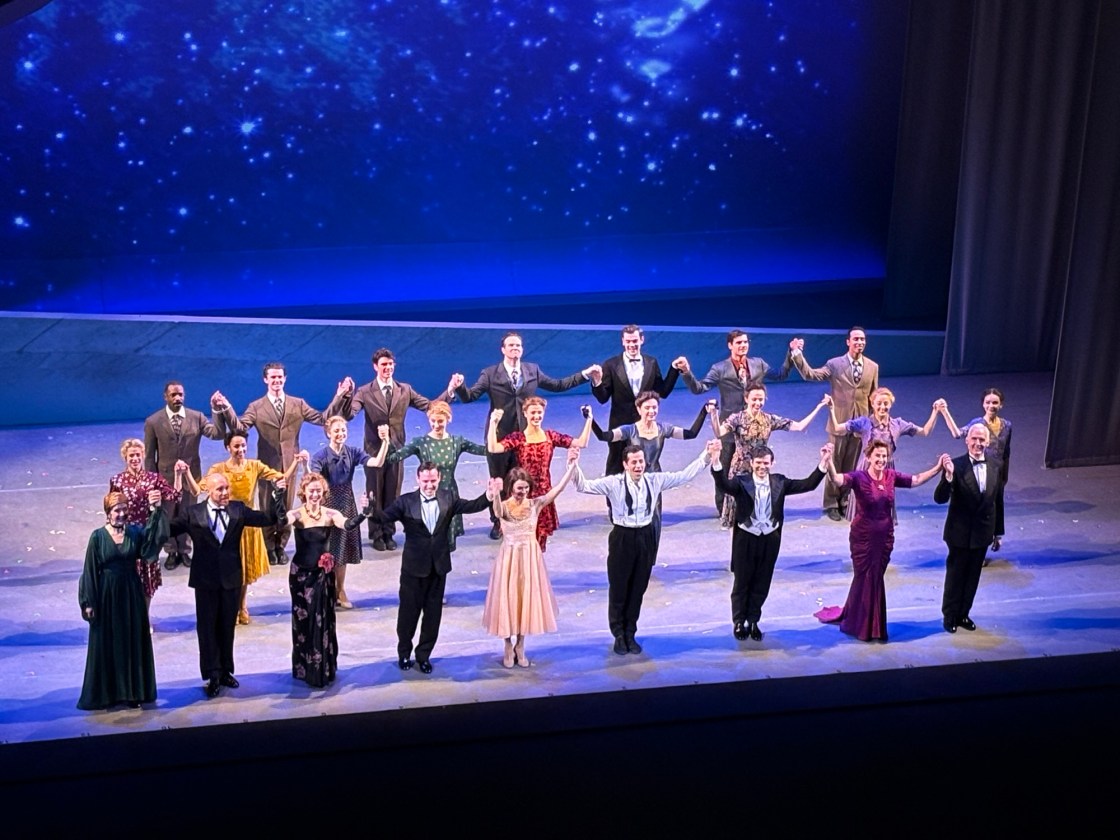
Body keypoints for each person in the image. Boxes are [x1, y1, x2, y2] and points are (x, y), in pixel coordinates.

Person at [573, 439, 722, 656]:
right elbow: (583, 486)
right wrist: (573, 464)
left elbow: (684, 476)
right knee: (619, 588)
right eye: (633, 462)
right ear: (625, 464)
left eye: (641, 461)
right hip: (622, 538)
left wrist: (706, 455)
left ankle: (630, 632)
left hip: (645, 536)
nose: (638, 466)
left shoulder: (654, 480)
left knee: (638, 588)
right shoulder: (614, 483)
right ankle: (618, 634)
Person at [453, 331, 600, 539]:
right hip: (500, 436)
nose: (515, 349)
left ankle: (522, 517)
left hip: (526, 439)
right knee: (500, 480)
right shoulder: (490, 373)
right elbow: (470, 396)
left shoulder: (532, 370)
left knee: (521, 480)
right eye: (511, 345)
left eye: (518, 346)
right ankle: (498, 521)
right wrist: (460, 387)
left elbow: (558, 385)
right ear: (503, 349)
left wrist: (584, 375)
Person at [367, 463, 502, 674]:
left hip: (438, 568)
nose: (429, 485)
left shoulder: (448, 498)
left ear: (439, 479)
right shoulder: (405, 502)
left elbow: (471, 506)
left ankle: (423, 656)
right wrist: (369, 509)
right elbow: (383, 517)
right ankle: (404, 653)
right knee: (408, 615)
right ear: (417, 479)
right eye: (425, 481)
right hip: (413, 569)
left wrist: (489, 495)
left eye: (433, 481)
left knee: (432, 616)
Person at [212, 361, 348, 565]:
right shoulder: (256, 407)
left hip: (290, 465)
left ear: (285, 379)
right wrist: (226, 407)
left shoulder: (297, 403)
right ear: (265, 380)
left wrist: (340, 396)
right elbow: (240, 427)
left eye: (279, 377)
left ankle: (281, 546)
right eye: (272, 377)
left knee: (286, 506)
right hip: (267, 466)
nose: (276, 380)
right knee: (267, 507)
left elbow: (322, 419)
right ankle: (269, 546)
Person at [169, 472, 286, 698]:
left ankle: (225, 671)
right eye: (220, 489)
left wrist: (277, 494)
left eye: (226, 488)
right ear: (208, 490)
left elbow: (267, 518)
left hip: (231, 579)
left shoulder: (237, 509)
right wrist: (156, 509)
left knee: (226, 627)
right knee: (207, 629)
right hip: (205, 581)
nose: (225, 493)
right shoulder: (193, 513)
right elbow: (168, 529)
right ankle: (212, 674)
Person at [814, 440, 943, 642]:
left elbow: (916, 480)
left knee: (876, 577)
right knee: (864, 577)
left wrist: (938, 468)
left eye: (884, 456)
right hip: (863, 537)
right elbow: (837, 480)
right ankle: (862, 625)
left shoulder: (891, 476)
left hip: (884, 537)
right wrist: (828, 461)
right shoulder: (859, 477)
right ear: (868, 457)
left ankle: (870, 623)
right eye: (877, 456)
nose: (881, 460)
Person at [335, 348, 456, 551]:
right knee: (374, 493)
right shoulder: (364, 391)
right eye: (384, 364)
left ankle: (389, 532)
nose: (388, 368)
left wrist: (450, 390)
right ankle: (376, 534)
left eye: (390, 364)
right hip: (373, 451)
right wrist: (346, 396)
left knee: (393, 493)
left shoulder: (404, 389)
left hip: (397, 450)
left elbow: (430, 406)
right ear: (375, 367)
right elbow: (349, 414)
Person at [179, 432, 305, 624]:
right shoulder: (218, 469)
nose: (241, 450)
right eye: (236, 446)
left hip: (247, 523)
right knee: (227, 569)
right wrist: (186, 472)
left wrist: (296, 461)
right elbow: (197, 490)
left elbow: (282, 477)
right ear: (227, 448)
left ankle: (242, 606)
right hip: (226, 524)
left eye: (243, 445)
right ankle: (228, 607)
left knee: (245, 568)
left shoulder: (254, 466)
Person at [712, 443, 831, 643]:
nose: (762, 467)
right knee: (742, 582)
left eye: (766, 463)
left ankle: (753, 620)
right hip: (746, 539)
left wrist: (824, 462)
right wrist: (716, 460)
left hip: (769, 540)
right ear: (751, 463)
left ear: (772, 463)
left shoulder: (779, 482)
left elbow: (807, 485)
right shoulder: (742, 482)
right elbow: (724, 485)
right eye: (758, 463)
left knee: (762, 582)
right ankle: (739, 621)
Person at [590, 392, 712, 560]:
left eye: (654, 407)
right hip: (633, 480)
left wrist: (704, 411)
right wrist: (590, 420)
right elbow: (604, 436)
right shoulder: (630, 430)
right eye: (647, 407)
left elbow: (691, 433)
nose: (651, 411)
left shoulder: (663, 429)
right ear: (639, 409)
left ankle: (649, 559)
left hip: (654, 480)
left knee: (654, 521)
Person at [483, 456, 579, 668]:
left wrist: (572, 467)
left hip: (529, 559)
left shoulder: (535, 504)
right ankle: (507, 644)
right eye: (519, 488)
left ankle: (520, 644)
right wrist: (496, 493)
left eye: (526, 488)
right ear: (511, 487)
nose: (523, 492)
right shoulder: (504, 506)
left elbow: (557, 490)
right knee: (508, 599)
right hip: (510, 558)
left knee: (525, 600)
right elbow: (497, 511)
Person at [672, 330, 782, 513]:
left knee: (754, 468)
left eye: (745, 342)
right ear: (730, 345)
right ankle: (722, 507)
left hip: (753, 429)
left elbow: (780, 375)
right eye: (738, 343)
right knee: (724, 469)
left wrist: (793, 354)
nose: (743, 345)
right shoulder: (720, 368)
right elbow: (700, 388)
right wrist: (686, 372)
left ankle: (751, 505)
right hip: (729, 429)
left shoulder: (758, 364)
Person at [77, 490, 168, 710]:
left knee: (131, 640)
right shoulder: (98, 537)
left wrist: (155, 511)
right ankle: (108, 694)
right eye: (117, 510)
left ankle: (132, 692)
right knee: (108, 642)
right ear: (108, 513)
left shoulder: (134, 532)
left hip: (131, 593)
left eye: (124, 510)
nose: (121, 514)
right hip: (106, 595)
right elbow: (89, 570)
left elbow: (150, 546)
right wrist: (88, 602)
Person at [282, 473, 369, 688]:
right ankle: (305, 669)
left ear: (323, 493)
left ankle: (323, 669)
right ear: (304, 492)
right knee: (304, 621)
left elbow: (348, 525)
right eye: (311, 491)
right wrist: (277, 497)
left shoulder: (331, 514)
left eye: (318, 491)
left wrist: (365, 513)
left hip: (323, 576)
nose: (315, 494)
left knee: (323, 620)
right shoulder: (298, 514)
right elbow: (282, 520)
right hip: (301, 577)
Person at [786, 327, 880, 520]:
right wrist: (797, 354)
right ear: (848, 342)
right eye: (856, 339)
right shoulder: (835, 364)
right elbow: (811, 374)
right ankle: (831, 503)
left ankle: (845, 500)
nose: (859, 342)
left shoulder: (873, 367)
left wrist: (874, 423)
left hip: (860, 425)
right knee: (834, 463)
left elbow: (874, 397)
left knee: (852, 466)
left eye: (862, 339)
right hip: (839, 421)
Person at [712, 385, 831, 527]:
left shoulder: (769, 419)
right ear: (746, 399)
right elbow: (719, 432)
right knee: (739, 512)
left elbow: (799, 426)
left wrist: (819, 407)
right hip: (740, 470)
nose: (758, 403)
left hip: (761, 468)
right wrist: (713, 414)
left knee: (759, 512)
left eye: (761, 399)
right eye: (754, 399)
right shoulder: (737, 419)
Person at [487, 398, 592, 551]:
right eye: (533, 413)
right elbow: (493, 448)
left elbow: (582, 443)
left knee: (539, 545)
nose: (536, 416)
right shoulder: (518, 438)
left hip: (543, 497)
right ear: (525, 413)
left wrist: (589, 419)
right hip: (523, 497)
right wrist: (493, 423)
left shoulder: (550, 436)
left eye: (539, 412)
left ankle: (536, 566)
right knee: (521, 543)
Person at [308, 416, 390, 609]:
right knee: (327, 550)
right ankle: (326, 590)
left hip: (346, 503)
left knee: (342, 550)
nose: (340, 434)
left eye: (343, 430)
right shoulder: (320, 456)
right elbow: (314, 479)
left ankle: (340, 590)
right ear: (328, 433)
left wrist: (385, 441)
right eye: (336, 431)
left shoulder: (352, 452)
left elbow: (377, 463)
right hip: (327, 504)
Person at [828, 387, 943, 521]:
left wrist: (935, 412)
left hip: (886, 470)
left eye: (886, 403)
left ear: (891, 404)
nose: (882, 407)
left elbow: (924, 431)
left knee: (883, 507)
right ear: (872, 404)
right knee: (863, 507)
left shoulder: (897, 424)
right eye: (879, 403)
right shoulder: (864, 423)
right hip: (867, 468)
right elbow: (837, 428)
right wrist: (831, 409)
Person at [384, 400, 488, 550]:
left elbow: (485, 451)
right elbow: (393, 458)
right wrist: (386, 441)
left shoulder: (457, 442)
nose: (436, 425)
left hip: (450, 498)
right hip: (428, 498)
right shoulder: (420, 443)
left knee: (446, 547)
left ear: (448, 419)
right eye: (433, 421)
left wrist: (497, 432)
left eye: (440, 421)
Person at [143, 380, 223, 570]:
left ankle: (185, 550)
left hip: (190, 477)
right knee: (168, 515)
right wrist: (152, 482)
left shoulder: (196, 417)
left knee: (188, 514)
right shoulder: (153, 421)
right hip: (165, 478)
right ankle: (171, 550)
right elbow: (149, 456)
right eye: (173, 395)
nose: (178, 398)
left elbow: (217, 434)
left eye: (180, 394)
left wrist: (216, 410)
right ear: (165, 397)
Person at [934, 424, 1004, 633]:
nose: (977, 443)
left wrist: (998, 532)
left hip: (982, 532)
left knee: (973, 577)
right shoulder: (956, 466)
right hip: (960, 533)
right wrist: (948, 477)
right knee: (955, 577)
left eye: (982, 440)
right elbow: (939, 498)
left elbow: (997, 501)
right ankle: (950, 616)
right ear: (967, 440)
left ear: (988, 442)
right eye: (974, 439)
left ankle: (963, 614)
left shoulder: (996, 465)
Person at [590, 324, 680, 475]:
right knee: (615, 467)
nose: (632, 345)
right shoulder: (611, 365)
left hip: (644, 427)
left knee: (645, 465)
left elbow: (662, 392)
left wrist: (674, 369)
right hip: (619, 425)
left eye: (635, 341)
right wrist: (597, 382)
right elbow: (603, 398)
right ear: (623, 342)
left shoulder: (651, 363)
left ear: (642, 340)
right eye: (628, 341)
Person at [108, 438, 181, 607]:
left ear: (143, 455)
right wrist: (112, 535)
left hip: (148, 536)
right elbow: (111, 509)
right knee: (128, 580)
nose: (135, 459)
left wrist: (178, 475)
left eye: (137, 455)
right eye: (131, 455)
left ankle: (145, 616)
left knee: (147, 583)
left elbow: (175, 496)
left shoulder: (153, 479)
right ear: (125, 457)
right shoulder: (117, 481)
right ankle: (130, 616)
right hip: (127, 536)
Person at [939, 388, 1011, 554]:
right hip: (978, 469)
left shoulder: (1007, 426)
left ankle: (996, 536)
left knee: (995, 504)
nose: (991, 406)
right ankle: (977, 544)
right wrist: (944, 411)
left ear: (1001, 405)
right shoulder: (977, 424)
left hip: (996, 472)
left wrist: (1004, 476)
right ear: (983, 404)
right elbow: (957, 433)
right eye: (988, 402)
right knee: (977, 505)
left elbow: (1006, 452)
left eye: (995, 402)